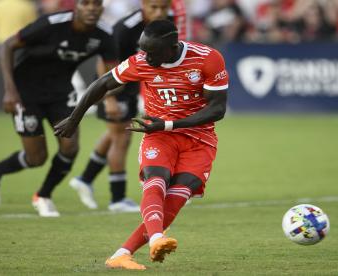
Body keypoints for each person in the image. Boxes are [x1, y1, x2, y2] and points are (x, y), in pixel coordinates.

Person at [54, 19, 228, 269]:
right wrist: (74, 118)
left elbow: (217, 109)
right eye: (143, 49)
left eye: (152, 52)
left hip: (199, 140)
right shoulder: (142, 61)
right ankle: (157, 237)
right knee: (155, 180)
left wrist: (169, 124)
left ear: (171, 47)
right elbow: (102, 83)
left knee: (176, 199)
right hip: (158, 136)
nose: (146, 56)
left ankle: (121, 255)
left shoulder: (207, 59)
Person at [0, 0, 117, 217]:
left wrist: (107, 96)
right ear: (76, 6)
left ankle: (44, 195)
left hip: (61, 93)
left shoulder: (104, 33)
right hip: (26, 92)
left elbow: (113, 72)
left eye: (97, 4)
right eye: (86, 3)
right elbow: (7, 45)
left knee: (70, 146)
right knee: (37, 158)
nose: (92, 8)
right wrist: (10, 90)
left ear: (102, 8)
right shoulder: (51, 23)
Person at [69, 0, 188, 212]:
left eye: (164, 7)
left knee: (115, 134)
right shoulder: (125, 28)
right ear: (143, 5)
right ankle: (117, 198)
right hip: (114, 87)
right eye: (154, 7)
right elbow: (104, 61)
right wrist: (109, 98)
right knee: (122, 139)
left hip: (132, 86)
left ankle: (85, 179)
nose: (160, 12)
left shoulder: (166, 25)